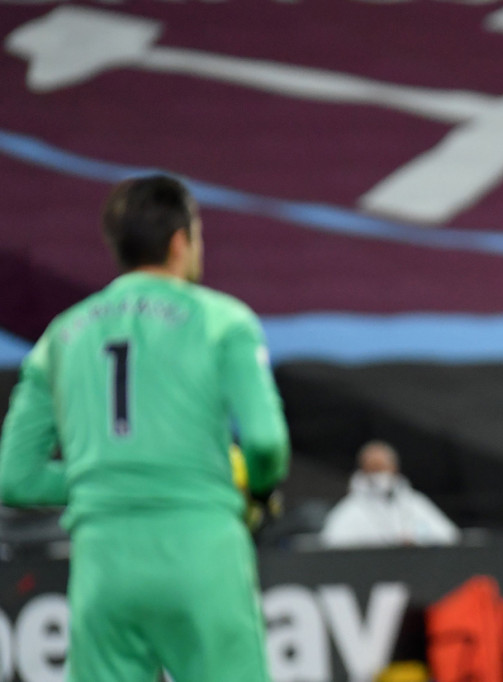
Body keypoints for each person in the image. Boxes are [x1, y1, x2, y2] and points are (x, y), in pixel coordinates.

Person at [0, 174, 290, 682]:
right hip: (200, 549)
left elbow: (13, 477)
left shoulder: (60, 336)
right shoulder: (224, 320)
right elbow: (266, 444)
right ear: (181, 241)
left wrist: (109, 482)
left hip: (103, 563)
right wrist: (259, 491)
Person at [320, 439, 461, 548]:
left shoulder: (414, 503)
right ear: (363, 470)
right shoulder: (350, 510)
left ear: (394, 469)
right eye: (373, 469)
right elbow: (331, 545)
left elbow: (449, 536)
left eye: (382, 468)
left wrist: (417, 540)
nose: (378, 475)